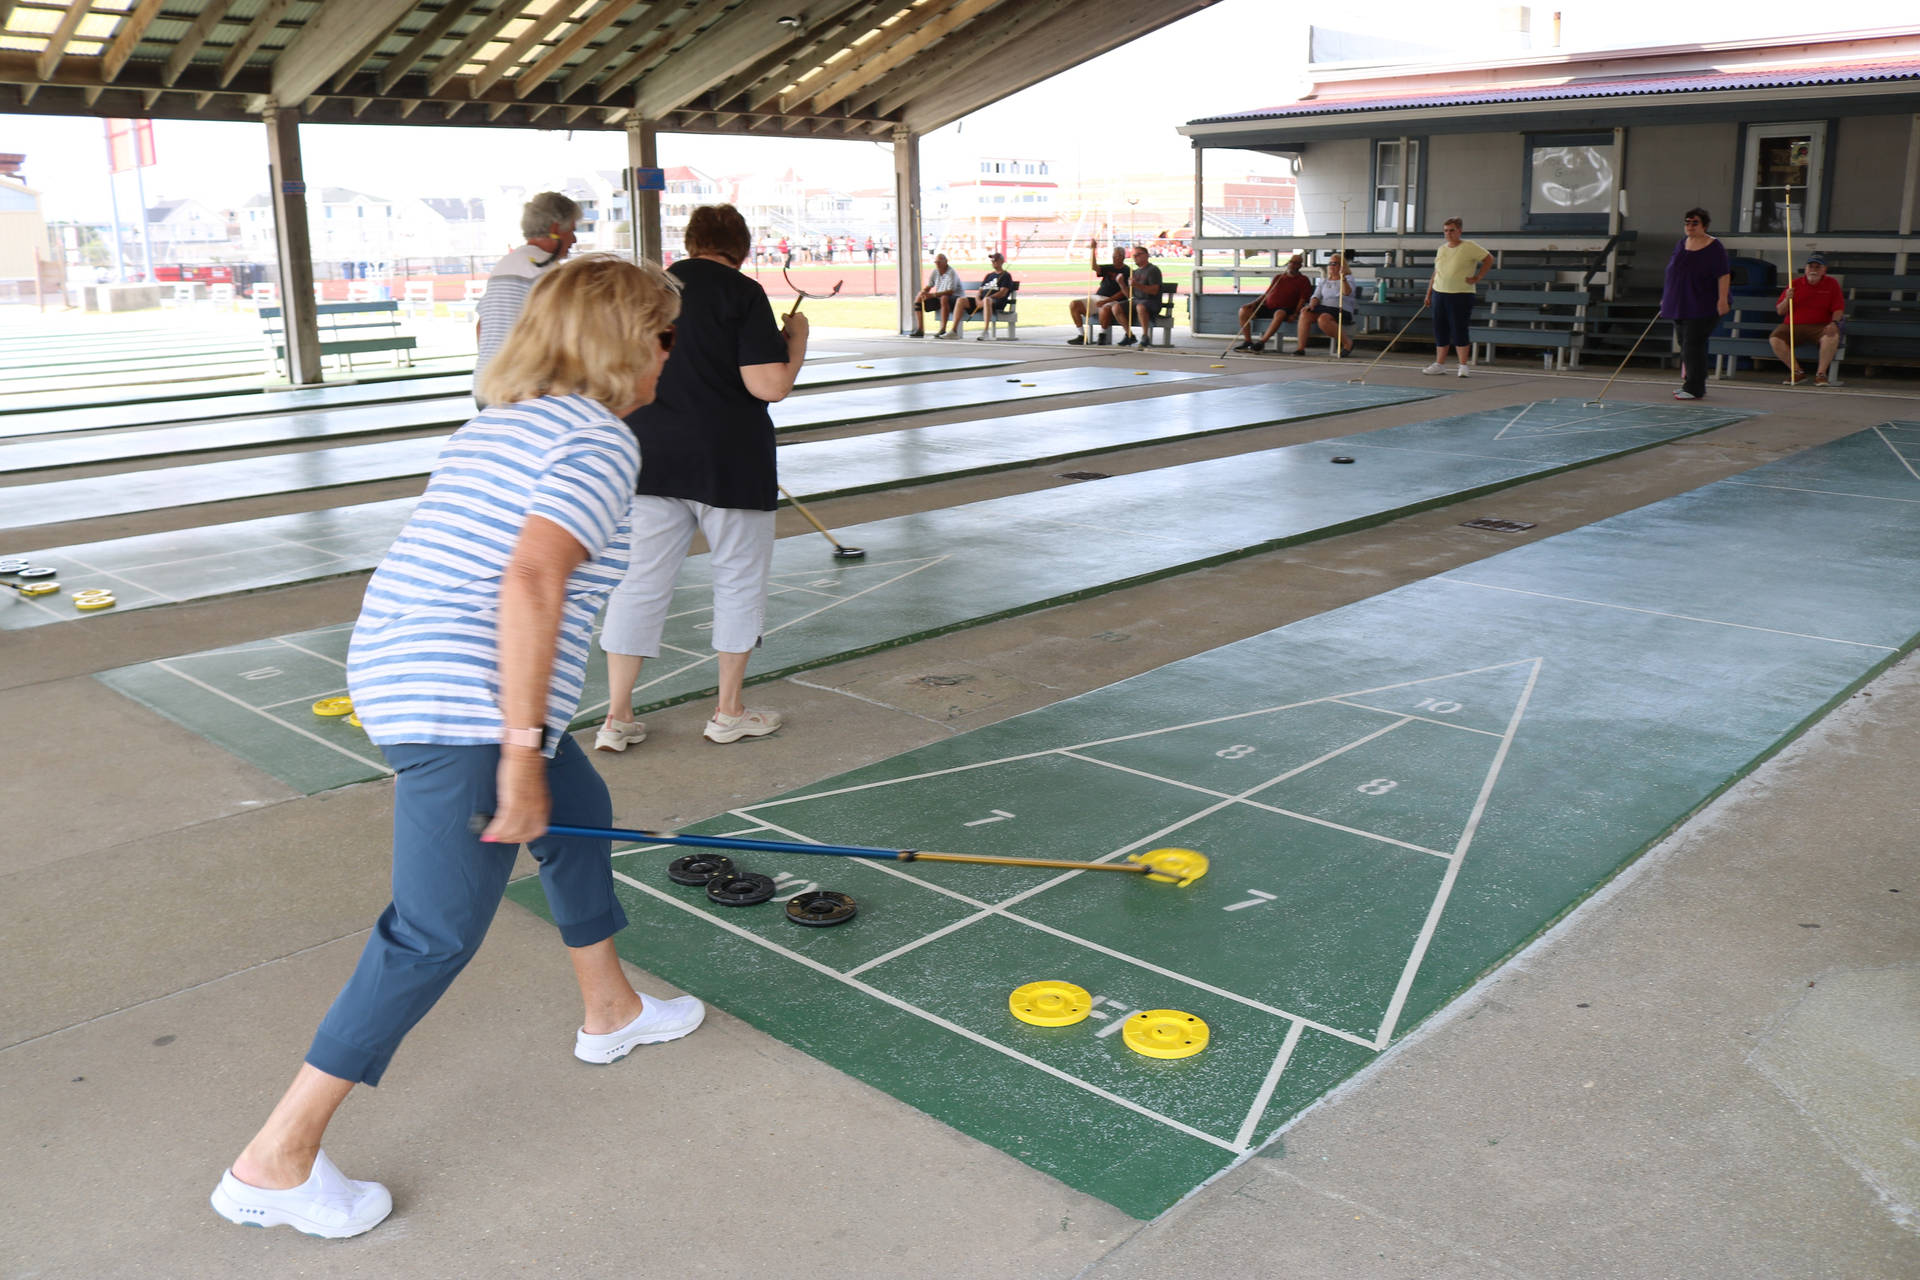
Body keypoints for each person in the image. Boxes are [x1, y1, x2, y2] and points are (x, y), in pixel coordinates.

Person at [209, 255, 691, 1240]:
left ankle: (612, 1008)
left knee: (579, 809)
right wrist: (517, 746)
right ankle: (277, 1156)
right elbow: (530, 583)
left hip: (412, 667)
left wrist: (534, 748)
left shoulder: (504, 421)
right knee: (434, 927)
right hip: (465, 696)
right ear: (624, 341)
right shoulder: (600, 440)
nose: (670, 356)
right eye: (665, 335)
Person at [598, 204, 806, 754]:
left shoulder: (649, 291)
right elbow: (769, 386)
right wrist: (797, 340)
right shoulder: (742, 292)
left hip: (650, 456)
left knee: (638, 583)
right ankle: (727, 711)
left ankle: (617, 717)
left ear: (690, 242)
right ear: (741, 247)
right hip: (730, 460)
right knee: (737, 579)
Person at [472, 191, 579, 404]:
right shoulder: (547, 270)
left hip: (486, 385)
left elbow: (481, 327)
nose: (574, 240)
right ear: (556, 229)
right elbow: (563, 333)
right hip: (522, 391)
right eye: (573, 231)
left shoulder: (505, 264)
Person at [1662, 207, 1732, 400]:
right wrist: (1666, 297)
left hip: (1703, 304)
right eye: (1687, 222)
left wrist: (1722, 299)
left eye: (1695, 223)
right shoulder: (1682, 243)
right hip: (1680, 303)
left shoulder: (1714, 246)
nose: (1690, 226)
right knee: (1683, 343)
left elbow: (1723, 274)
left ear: (1704, 225)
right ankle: (1691, 382)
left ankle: (1695, 388)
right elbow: (1674, 272)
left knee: (1693, 344)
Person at [1422, 217, 1491, 377]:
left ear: (1459, 231)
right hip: (1440, 292)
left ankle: (1463, 365)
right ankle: (1440, 364)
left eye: (1452, 230)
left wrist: (1478, 277)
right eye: (1445, 230)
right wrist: (1429, 293)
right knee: (1440, 328)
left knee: (1459, 327)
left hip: (1461, 293)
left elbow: (1488, 259)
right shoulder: (1442, 249)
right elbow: (1436, 272)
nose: (1448, 233)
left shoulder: (1469, 247)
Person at [1771, 254, 1845, 386]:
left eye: (1818, 267)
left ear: (1824, 270)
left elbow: (1838, 308)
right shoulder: (1794, 284)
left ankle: (1821, 374)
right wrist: (1787, 299)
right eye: (1811, 266)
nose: (1814, 270)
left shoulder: (1832, 284)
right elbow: (1780, 311)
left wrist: (1834, 323)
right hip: (1792, 325)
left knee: (1832, 336)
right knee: (1775, 339)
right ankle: (1797, 372)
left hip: (1820, 326)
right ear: (1805, 269)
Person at [1235, 255, 1311, 354]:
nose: (1292, 265)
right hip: (1268, 307)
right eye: (1291, 262)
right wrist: (1254, 303)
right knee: (1243, 310)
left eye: (1296, 263)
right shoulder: (1279, 277)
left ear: (1300, 266)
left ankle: (1262, 342)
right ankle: (1248, 341)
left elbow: (1302, 299)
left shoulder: (1303, 280)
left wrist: (1295, 314)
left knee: (1279, 313)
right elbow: (1267, 293)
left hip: (1286, 309)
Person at [1067, 240, 1129, 345]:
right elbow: (1094, 267)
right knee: (1074, 304)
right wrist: (1093, 250)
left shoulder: (1127, 271)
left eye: (1117, 256)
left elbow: (1123, 293)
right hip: (1097, 297)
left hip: (1112, 301)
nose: (1114, 258)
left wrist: (1107, 301)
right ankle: (1082, 335)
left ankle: (1102, 335)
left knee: (1105, 308)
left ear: (1123, 257)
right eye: (1113, 256)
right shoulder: (1109, 267)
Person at [1295, 255, 1356, 357]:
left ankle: (1347, 343)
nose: (1331, 266)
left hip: (1341, 309)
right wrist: (1313, 301)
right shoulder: (1324, 280)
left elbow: (1347, 292)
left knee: (1323, 318)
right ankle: (1301, 348)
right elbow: (1316, 295)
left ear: (1342, 266)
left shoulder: (1348, 279)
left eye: (1335, 264)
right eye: (1330, 263)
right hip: (1325, 308)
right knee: (1305, 313)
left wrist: (1343, 278)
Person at [1115, 245, 1163, 348]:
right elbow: (1129, 295)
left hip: (1151, 301)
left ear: (1146, 256)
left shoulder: (1153, 270)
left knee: (1140, 307)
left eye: (1138, 255)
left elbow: (1154, 290)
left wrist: (1137, 285)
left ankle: (1145, 336)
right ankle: (1129, 334)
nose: (1135, 257)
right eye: (1134, 255)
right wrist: (1122, 284)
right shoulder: (1135, 272)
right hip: (1137, 300)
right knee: (1116, 307)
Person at [910, 253, 963, 337]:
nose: (937, 264)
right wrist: (923, 292)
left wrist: (933, 295)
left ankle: (943, 329)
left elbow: (951, 291)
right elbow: (930, 285)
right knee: (919, 296)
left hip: (955, 299)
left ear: (946, 262)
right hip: (940, 297)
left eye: (939, 262)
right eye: (936, 262)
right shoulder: (935, 272)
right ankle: (920, 329)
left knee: (944, 298)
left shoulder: (951, 273)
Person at [965, 252, 1016, 335]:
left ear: (1001, 261)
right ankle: (954, 331)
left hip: (996, 302)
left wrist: (986, 299)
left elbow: (1002, 293)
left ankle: (985, 331)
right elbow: (980, 291)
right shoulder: (989, 276)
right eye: (992, 260)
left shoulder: (1006, 275)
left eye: (995, 260)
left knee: (987, 300)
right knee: (961, 300)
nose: (993, 261)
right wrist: (978, 300)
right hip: (983, 301)